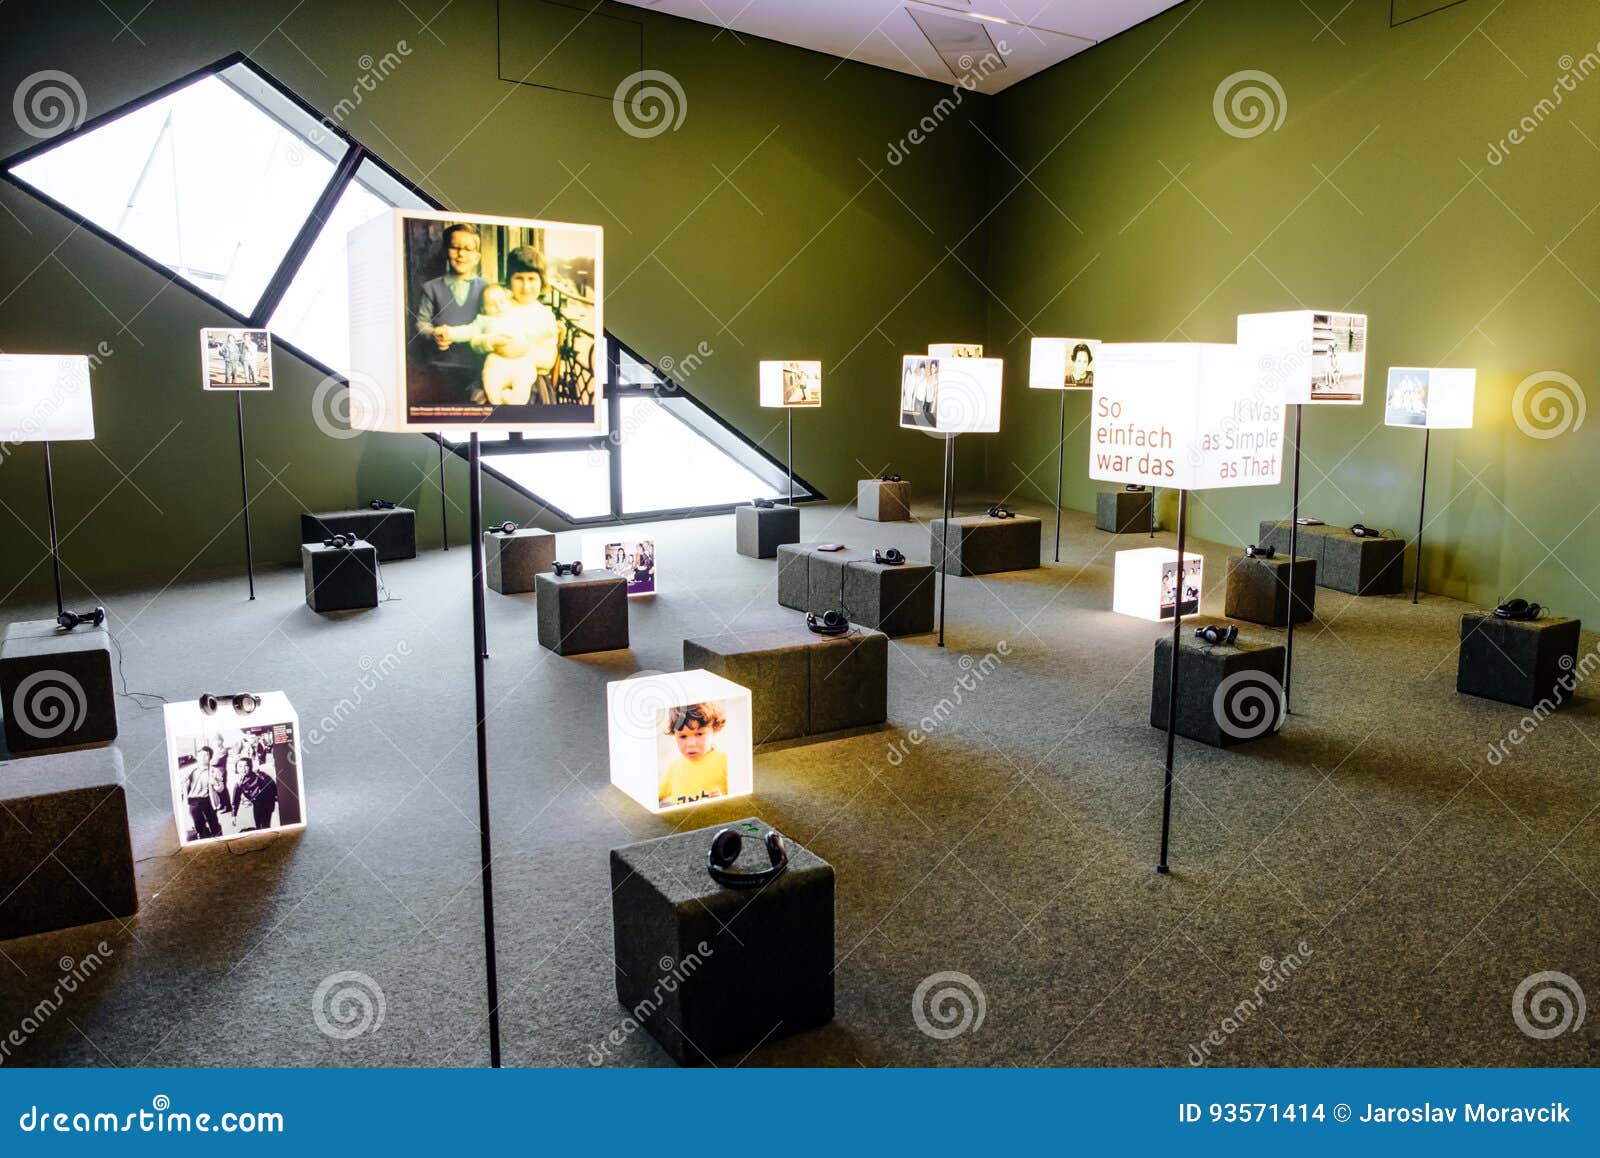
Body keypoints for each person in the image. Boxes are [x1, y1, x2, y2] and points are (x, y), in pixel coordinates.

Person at [466, 246, 558, 406]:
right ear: (510, 279)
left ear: (541, 281)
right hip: (496, 369)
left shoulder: (544, 315)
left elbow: (548, 359)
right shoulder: (498, 304)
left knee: (527, 402)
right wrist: (490, 342)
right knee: (483, 399)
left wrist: (523, 350)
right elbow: (476, 338)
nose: (526, 287)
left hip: (530, 376)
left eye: (531, 279)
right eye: (519, 278)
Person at [413, 223, 489, 406]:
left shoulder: (486, 288)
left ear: (476, 257)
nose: (461, 254)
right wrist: (433, 333)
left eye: (468, 249)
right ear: (447, 251)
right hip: (441, 369)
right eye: (455, 248)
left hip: (476, 370)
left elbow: (500, 319)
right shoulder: (432, 288)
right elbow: (421, 323)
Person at [659, 702, 729, 807]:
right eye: (683, 736)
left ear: (714, 730)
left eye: (699, 734)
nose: (691, 744)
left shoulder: (724, 761)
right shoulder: (674, 768)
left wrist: (724, 800)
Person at [183, 746, 223, 841]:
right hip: (193, 801)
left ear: (210, 758)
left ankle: (219, 839)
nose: (203, 757)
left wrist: (215, 783)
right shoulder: (190, 771)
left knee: (213, 823)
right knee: (198, 824)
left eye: (206, 755)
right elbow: (183, 787)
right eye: (200, 755)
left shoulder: (214, 771)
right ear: (197, 756)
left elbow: (221, 789)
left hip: (207, 800)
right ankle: (202, 837)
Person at [231, 755, 278, 833]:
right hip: (256, 805)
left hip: (267, 804)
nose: (243, 769)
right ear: (236, 768)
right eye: (240, 766)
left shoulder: (260, 777)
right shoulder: (239, 783)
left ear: (250, 767)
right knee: (258, 826)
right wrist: (234, 815)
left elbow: (272, 787)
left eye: (246, 766)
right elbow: (235, 800)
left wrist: (274, 799)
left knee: (265, 827)